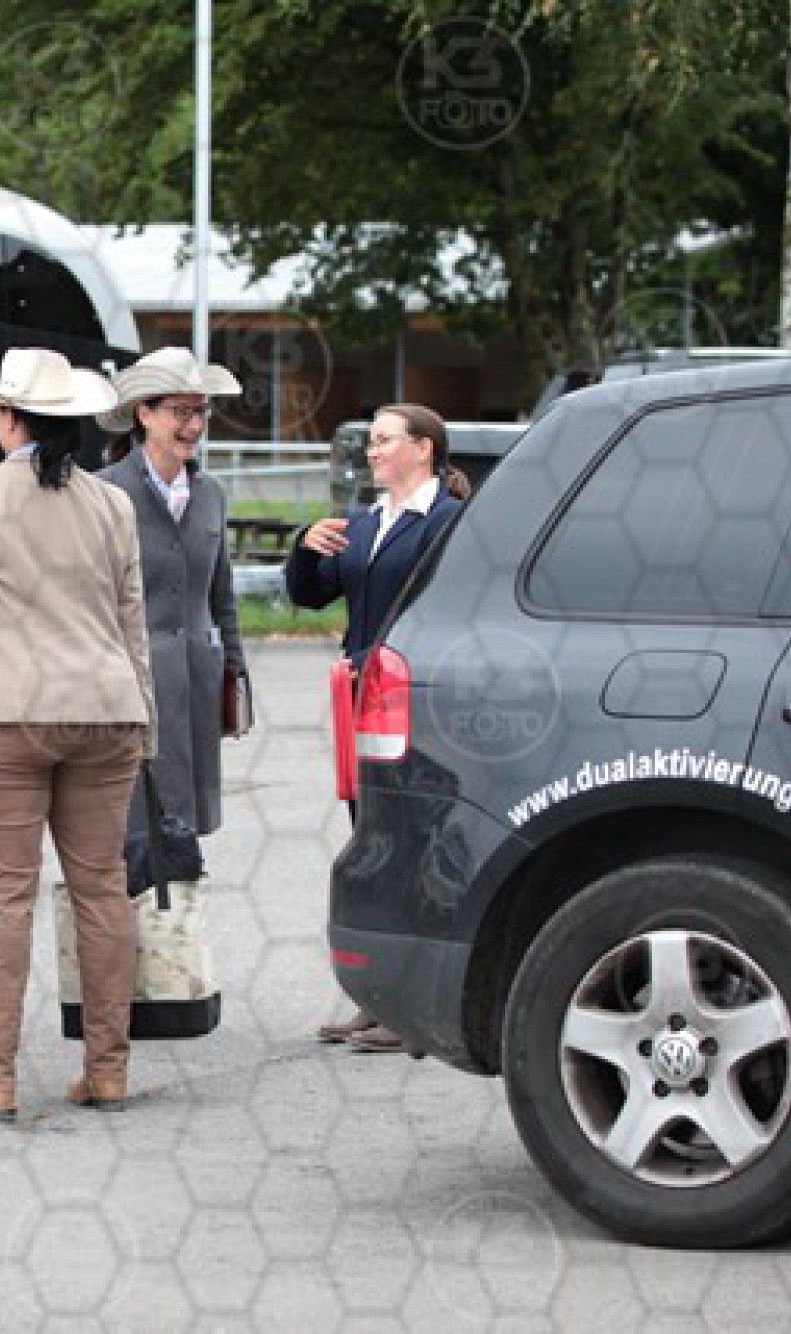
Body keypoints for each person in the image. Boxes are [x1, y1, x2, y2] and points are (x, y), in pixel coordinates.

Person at [0, 348, 156, 1121]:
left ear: (9, 420)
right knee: (102, 890)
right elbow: (132, 621)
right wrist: (146, 721)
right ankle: (108, 1070)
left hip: (8, 712)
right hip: (106, 709)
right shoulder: (112, 503)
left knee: (5, 898)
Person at [285, 402, 470, 1055]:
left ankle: (417, 1009)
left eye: (385, 440)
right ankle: (380, 996)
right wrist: (305, 549)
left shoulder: (448, 522)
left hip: (416, 700)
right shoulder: (366, 522)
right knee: (372, 840)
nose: (371, 451)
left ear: (423, 448)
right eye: (371, 440)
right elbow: (311, 593)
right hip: (364, 699)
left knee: (415, 844)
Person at [95, 347, 247, 881]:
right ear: (144, 413)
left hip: (197, 685)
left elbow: (222, 597)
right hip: (128, 689)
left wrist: (235, 674)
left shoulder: (211, 494)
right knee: (131, 833)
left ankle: (172, 922)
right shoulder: (104, 491)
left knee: (183, 836)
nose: (195, 426)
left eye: (201, 412)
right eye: (181, 412)